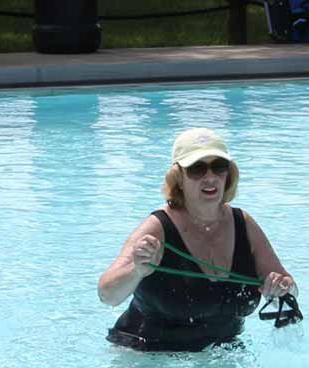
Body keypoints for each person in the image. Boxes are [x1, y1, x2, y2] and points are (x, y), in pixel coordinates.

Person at [98, 128, 296, 351]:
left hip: (221, 350)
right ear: (179, 178)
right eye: (197, 168)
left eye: (219, 167)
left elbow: (289, 286)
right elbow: (107, 295)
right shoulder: (157, 228)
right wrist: (136, 270)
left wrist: (281, 286)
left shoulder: (244, 224)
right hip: (145, 349)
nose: (210, 177)